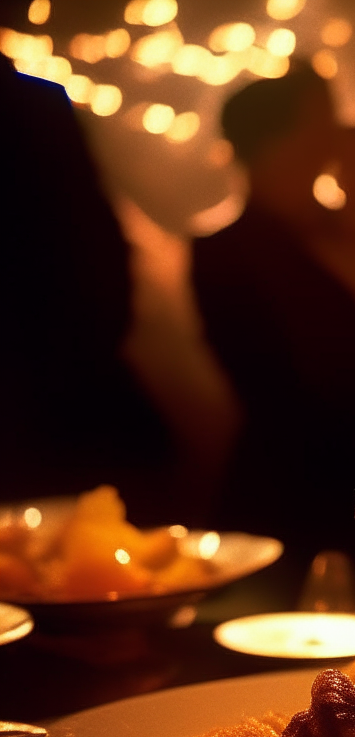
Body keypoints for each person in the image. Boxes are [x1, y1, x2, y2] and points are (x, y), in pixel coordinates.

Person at [191, 65, 355, 600]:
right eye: (322, 119)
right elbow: (269, 382)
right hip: (303, 494)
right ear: (277, 139)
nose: (339, 132)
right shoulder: (227, 253)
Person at [0, 55, 169, 511]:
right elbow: (95, 250)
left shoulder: (32, 107)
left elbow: (93, 250)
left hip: (52, 401)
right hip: (57, 400)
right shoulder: (35, 106)